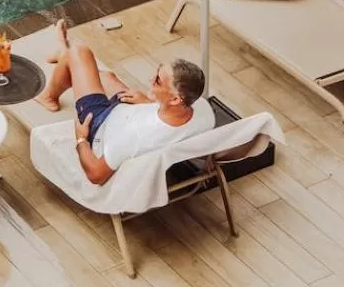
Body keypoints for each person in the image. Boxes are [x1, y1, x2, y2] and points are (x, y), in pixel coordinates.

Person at [35, 20, 213, 186]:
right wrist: (148, 104)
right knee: (107, 76)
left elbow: (96, 175)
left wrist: (81, 138)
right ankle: (65, 56)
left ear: (175, 99)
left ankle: (50, 90)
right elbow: (197, 140)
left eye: (158, 80)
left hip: (99, 124)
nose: (151, 79)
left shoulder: (134, 138)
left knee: (80, 52)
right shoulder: (201, 110)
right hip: (126, 111)